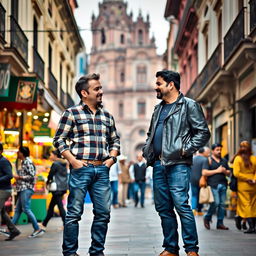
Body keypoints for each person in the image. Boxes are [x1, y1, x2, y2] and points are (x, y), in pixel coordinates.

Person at [143, 70, 210, 256]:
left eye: (159, 83)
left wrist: (185, 150)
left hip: (178, 164)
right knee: (163, 208)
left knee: (181, 204)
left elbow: (203, 132)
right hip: (158, 164)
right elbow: (151, 133)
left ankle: (191, 249)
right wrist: (147, 149)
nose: (155, 87)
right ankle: (171, 248)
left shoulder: (189, 105)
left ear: (170, 84)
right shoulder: (158, 108)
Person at [53, 73, 120, 256]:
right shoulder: (71, 113)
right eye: (97, 89)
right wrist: (73, 161)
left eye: (100, 88)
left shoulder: (107, 116)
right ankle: (70, 253)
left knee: (103, 214)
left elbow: (115, 141)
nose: (101, 91)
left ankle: (97, 252)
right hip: (81, 169)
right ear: (84, 93)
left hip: (102, 169)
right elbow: (59, 140)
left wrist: (111, 159)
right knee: (74, 214)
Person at [12, 146, 45, 238]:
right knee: (18, 210)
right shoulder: (24, 162)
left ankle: (37, 228)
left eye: (19, 152)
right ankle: (10, 229)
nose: (17, 153)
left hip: (26, 188)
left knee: (26, 209)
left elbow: (32, 176)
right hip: (22, 188)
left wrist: (19, 177)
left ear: (22, 153)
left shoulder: (28, 162)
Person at [202, 143, 230, 230]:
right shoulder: (208, 160)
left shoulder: (224, 160)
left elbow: (229, 173)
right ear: (213, 151)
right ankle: (207, 217)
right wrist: (217, 170)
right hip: (213, 185)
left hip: (223, 184)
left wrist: (225, 172)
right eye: (217, 150)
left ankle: (220, 223)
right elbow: (204, 172)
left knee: (222, 205)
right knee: (216, 203)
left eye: (220, 150)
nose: (219, 151)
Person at [233, 141, 256, 233]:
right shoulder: (254, 158)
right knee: (253, 204)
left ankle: (251, 226)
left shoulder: (238, 159)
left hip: (243, 185)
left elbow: (236, 173)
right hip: (254, 185)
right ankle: (242, 219)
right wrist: (253, 179)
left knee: (246, 204)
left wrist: (246, 179)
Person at [41, 150, 68, 230]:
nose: (50, 156)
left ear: (55, 155)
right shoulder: (64, 163)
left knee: (60, 207)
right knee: (51, 207)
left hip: (56, 188)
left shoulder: (55, 164)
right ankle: (44, 224)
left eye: (51, 154)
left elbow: (50, 175)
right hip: (62, 187)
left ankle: (66, 224)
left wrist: (47, 182)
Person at [0, 143, 21, 241]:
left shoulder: (4, 161)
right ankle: (14, 230)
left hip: (4, 190)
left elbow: (9, 175)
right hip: (2, 189)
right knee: (3, 212)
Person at [190, 147, 210, 216]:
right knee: (200, 195)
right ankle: (199, 210)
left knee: (194, 195)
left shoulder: (193, 158)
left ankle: (193, 209)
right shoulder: (205, 160)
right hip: (201, 180)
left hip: (192, 179)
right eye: (207, 152)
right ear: (203, 152)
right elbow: (204, 171)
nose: (208, 154)